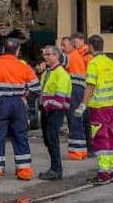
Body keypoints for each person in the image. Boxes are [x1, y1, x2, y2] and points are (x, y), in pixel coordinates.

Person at [0, 37, 41, 180]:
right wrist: (26, 97)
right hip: (18, 104)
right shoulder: (23, 66)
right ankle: (24, 172)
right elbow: (36, 89)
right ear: (17, 51)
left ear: (2, 50)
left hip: (0, 104)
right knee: (21, 137)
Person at [79, 35, 113, 183]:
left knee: (100, 139)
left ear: (90, 46)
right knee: (109, 136)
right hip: (111, 105)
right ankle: (111, 169)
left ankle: (103, 173)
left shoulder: (93, 63)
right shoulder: (110, 61)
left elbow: (90, 86)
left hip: (98, 107)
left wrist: (83, 104)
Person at [37, 45, 73, 180]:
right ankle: (54, 168)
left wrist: (47, 106)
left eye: (48, 55)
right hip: (47, 110)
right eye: (44, 54)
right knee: (48, 140)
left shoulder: (61, 74)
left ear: (56, 56)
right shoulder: (47, 72)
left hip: (55, 111)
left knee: (52, 139)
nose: (45, 57)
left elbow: (60, 98)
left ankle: (56, 170)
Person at [66, 34, 93, 160]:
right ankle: (88, 148)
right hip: (86, 89)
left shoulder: (84, 54)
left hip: (82, 90)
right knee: (86, 120)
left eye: (76, 42)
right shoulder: (82, 54)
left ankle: (84, 149)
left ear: (82, 41)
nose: (75, 44)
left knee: (82, 119)